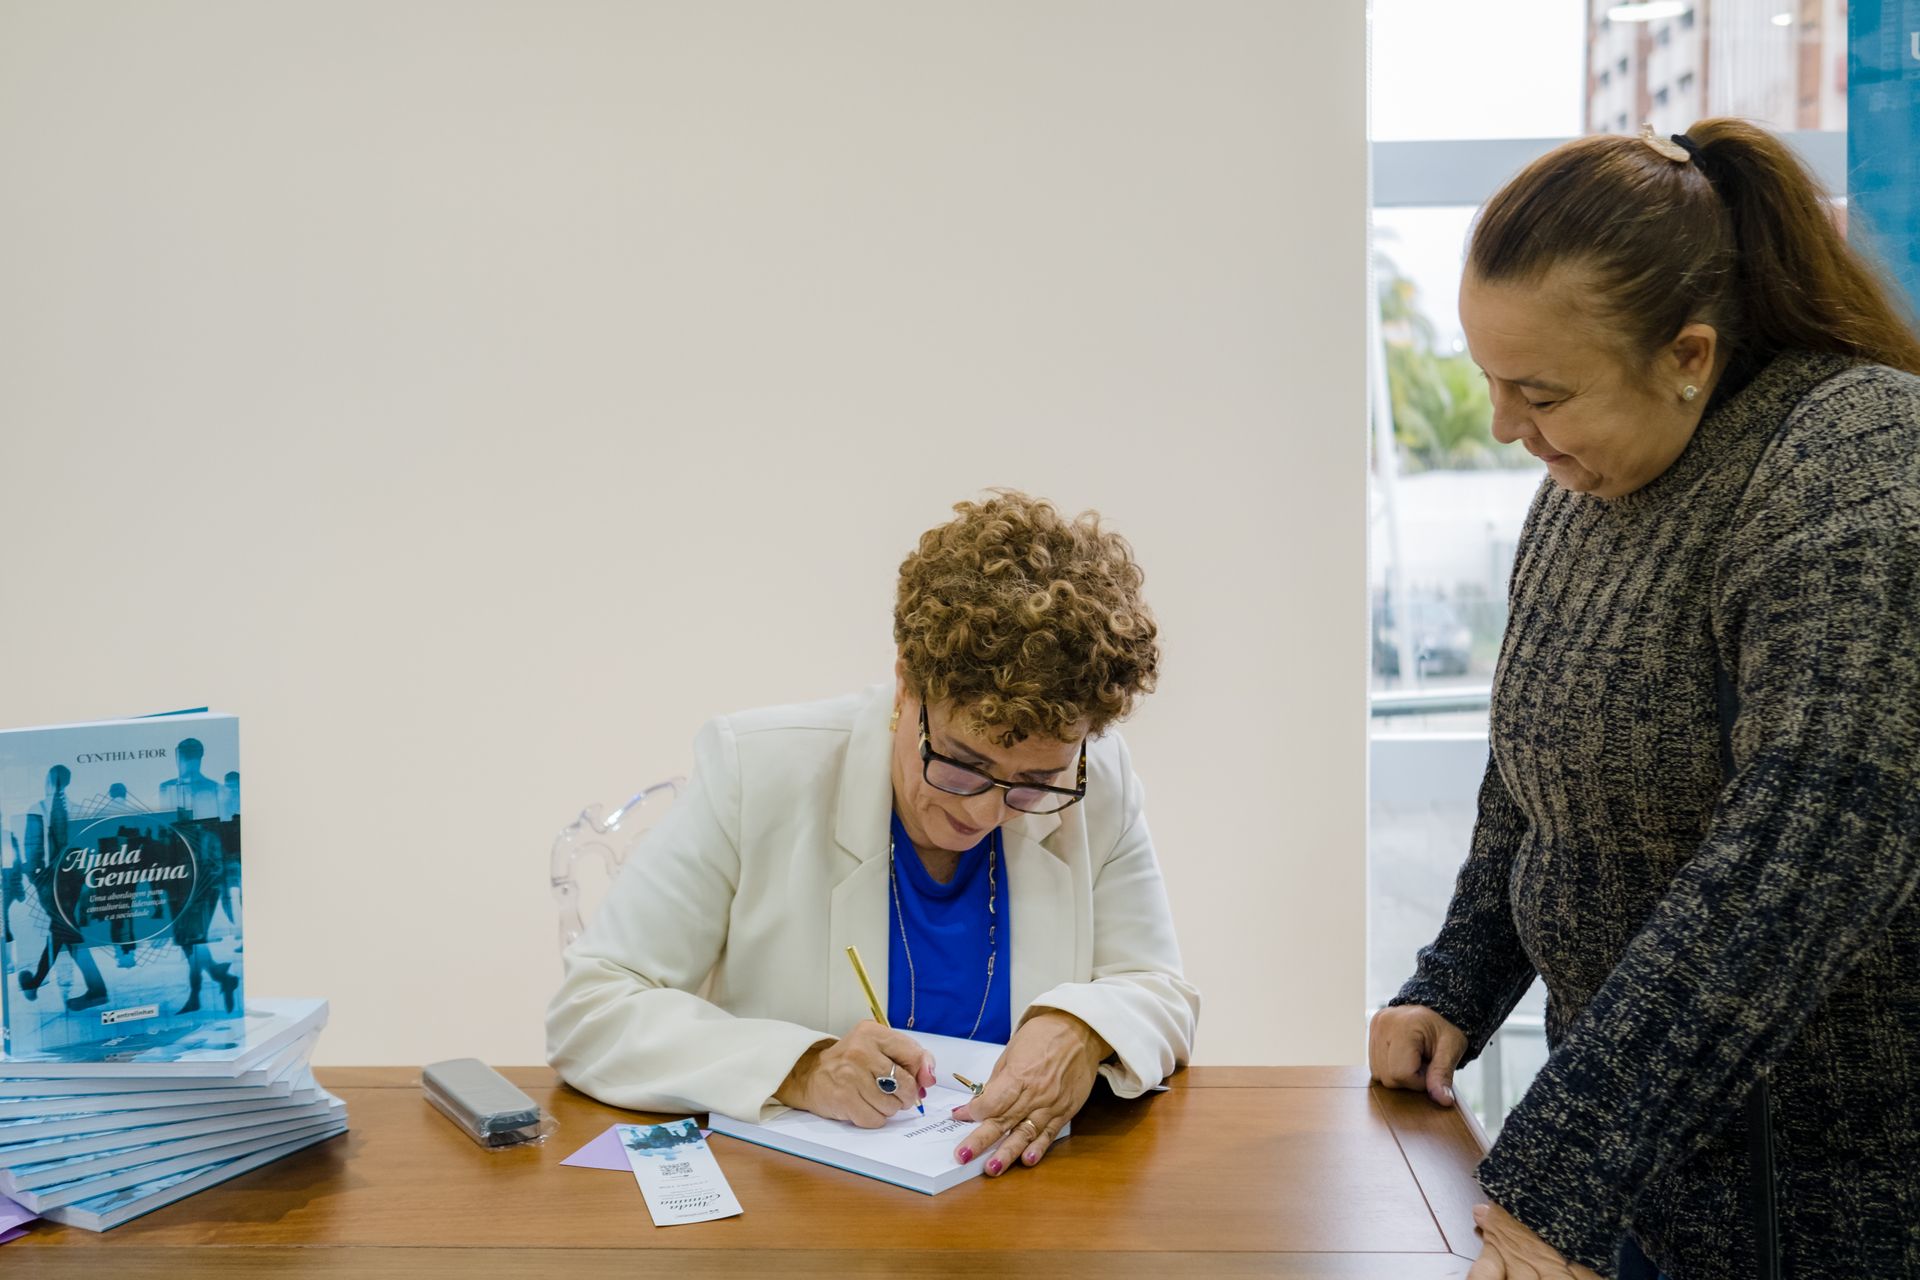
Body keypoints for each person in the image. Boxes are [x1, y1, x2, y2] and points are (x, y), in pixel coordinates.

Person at [1370, 119, 1920, 1280]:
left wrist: (1564, 1172)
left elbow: (1809, 850)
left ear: (1688, 354)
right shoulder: (1584, 486)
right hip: (1641, 1189)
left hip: (1820, 1215)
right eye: (1490, 380)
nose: (1503, 426)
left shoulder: (1853, 457)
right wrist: (1455, 980)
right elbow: (1533, 779)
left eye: (1540, 391)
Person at [548, 491, 1198, 1177]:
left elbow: (1159, 990)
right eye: (961, 765)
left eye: (1033, 782)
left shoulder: (1098, 783)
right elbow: (593, 1009)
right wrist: (802, 1069)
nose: (986, 813)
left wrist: (1083, 1029)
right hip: (805, 1205)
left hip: (1024, 1203)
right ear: (905, 685)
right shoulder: (758, 771)